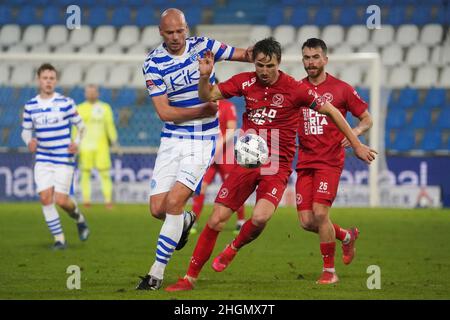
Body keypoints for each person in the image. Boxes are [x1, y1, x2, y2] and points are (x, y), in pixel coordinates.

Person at [165, 37, 376, 291]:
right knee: (216, 220)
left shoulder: (295, 88)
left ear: (279, 63)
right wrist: (204, 76)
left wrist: (356, 144)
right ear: (254, 62)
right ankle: (189, 278)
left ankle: (233, 248)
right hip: (248, 161)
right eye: (260, 65)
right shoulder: (245, 81)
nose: (264, 71)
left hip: (277, 165)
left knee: (262, 217)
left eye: (270, 66)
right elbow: (207, 95)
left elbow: (332, 111)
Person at [136, 8, 253, 290]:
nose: (176, 37)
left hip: (202, 139)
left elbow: (244, 54)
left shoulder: (204, 46)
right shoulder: (153, 64)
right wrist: (204, 109)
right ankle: (186, 220)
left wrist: (265, 56)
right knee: (158, 209)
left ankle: (155, 274)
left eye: (180, 31)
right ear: (160, 33)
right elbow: (164, 113)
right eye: (169, 33)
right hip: (172, 139)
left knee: (174, 203)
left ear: (186, 29)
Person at [296, 38, 374, 284]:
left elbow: (367, 119)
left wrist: (356, 136)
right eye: (307, 58)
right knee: (307, 222)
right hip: (305, 161)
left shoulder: (342, 89)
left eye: (315, 57)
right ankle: (347, 236)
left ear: (325, 60)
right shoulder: (297, 89)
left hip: (329, 161)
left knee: (320, 214)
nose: (311, 62)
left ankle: (329, 272)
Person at [21, 63, 89, 250]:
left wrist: (76, 143)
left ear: (55, 80)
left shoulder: (65, 103)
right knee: (45, 198)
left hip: (63, 157)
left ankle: (79, 218)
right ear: (39, 80)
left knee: (61, 200)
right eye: (45, 78)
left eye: (51, 78)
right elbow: (25, 132)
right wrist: (29, 142)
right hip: (43, 157)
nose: (48, 81)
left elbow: (81, 127)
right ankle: (60, 240)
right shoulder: (31, 106)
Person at [190, 94, 246, 235]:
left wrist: (218, 146)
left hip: (225, 153)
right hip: (208, 153)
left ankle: (241, 221)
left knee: (232, 187)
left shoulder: (228, 106)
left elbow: (231, 129)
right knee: (201, 187)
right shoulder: (203, 107)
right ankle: (193, 222)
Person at [76, 84, 118, 209]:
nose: (91, 94)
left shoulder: (105, 108)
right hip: (84, 147)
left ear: (98, 93)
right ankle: (86, 201)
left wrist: (114, 140)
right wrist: (75, 143)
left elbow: (109, 125)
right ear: (85, 94)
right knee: (85, 174)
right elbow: (76, 128)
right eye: (89, 92)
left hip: (101, 146)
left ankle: (108, 201)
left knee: (105, 174)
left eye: (93, 92)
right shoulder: (79, 108)